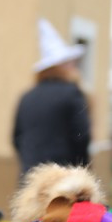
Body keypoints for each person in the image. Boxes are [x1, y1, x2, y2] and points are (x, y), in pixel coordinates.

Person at [12, 19, 91, 177]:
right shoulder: (72, 93)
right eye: (70, 64)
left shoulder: (27, 97)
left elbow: (16, 138)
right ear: (62, 67)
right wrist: (81, 169)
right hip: (62, 180)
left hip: (31, 178)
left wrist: (30, 163)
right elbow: (81, 137)